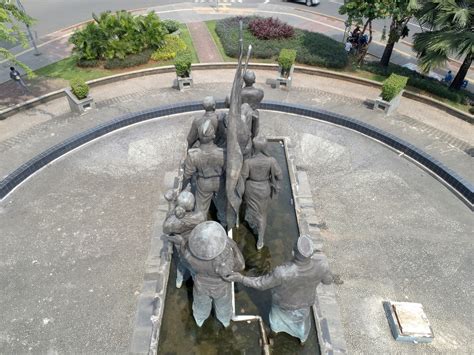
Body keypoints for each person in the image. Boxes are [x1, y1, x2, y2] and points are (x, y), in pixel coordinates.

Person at [225, 235, 333, 343]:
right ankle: (302, 340)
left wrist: (241, 278)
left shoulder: (282, 272)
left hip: (282, 305)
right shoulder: (322, 265)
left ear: (293, 252)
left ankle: (274, 333)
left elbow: (261, 284)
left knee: (276, 323)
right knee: (301, 328)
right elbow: (328, 281)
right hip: (304, 305)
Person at [169, 221, 245, 327]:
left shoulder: (191, 258)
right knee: (223, 307)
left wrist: (181, 243)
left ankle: (199, 320)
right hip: (221, 288)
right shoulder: (224, 262)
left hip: (201, 287)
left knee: (200, 306)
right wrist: (234, 245)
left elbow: (183, 257)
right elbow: (241, 266)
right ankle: (224, 321)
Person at [240, 136, 282, 250]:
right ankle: (260, 240)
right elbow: (280, 175)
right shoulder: (271, 161)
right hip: (264, 189)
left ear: (254, 147)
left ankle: (252, 224)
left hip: (251, 189)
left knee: (250, 208)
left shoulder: (248, 162)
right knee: (262, 215)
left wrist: (240, 192)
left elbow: (243, 178)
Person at [184, 120, 226, 224]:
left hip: (203, 183)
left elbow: (187, 174)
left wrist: (186, 187)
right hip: (220, 182)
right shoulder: (223, 152)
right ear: (213, 136)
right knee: (223, 206)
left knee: (201, 211)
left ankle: (200, 228)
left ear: (199, 137)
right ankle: (225, 225)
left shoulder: (193, 154)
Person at [163, 184, 206, 288]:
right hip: (194, 242)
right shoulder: (198, 216)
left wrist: (171, 205)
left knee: (182, 260)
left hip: (180, 244)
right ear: (191, 206)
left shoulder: (172, 222)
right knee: (195, 263)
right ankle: (197, 281)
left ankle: (179, 278)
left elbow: (166, 229)